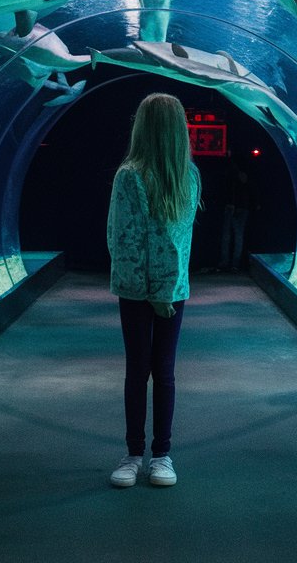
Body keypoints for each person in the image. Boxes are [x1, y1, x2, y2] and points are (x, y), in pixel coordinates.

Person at [106, 93, 201, 489]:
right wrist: (160, 291)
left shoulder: (180, 176)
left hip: (158, 291)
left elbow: (127, 239)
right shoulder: (146, 175)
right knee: (156, 373)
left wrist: (159, 291)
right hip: (155, 290)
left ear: (141, 127)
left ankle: (155, 454)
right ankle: (141, 453)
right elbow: (137, 240)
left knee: (150, 372)